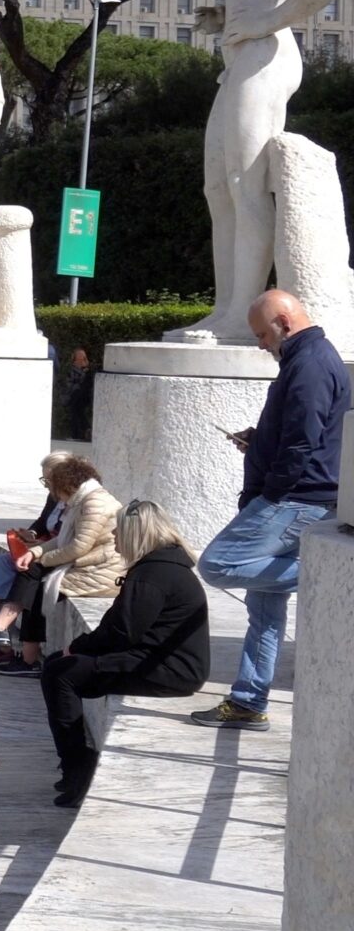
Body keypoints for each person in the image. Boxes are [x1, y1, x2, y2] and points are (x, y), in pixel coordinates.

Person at [194, 288, 348, 730]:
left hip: (296, 498)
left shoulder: (311, 362)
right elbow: (293, 432)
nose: (261, 343)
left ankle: (327, 568)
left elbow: (303, 440)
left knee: (218, 564)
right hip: (299, 494)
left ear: (284, 321)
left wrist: (271, 493)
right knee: (264, 609)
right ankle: (248, 700)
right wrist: (256, 439)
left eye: (263, 334)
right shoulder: (305, 359)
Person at [35, 499, 212, 805]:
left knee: (60, 673)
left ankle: (79, 766)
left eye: (119, 530)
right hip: (162, 661)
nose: (114, 536)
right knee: (59, 666)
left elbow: (121, 631)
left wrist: (75, 649)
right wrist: (79, 650)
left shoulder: (152, 574)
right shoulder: (161, 567)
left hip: (169, 670)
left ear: (135, 533)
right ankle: (77, 762)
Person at [0, 455, 125, 677]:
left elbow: (77, 548)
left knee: (35, 579)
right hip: (86, 565)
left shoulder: (95, 504)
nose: (53, 495)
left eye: (52, 486)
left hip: (100, 572)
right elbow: (62, 539)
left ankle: (8, 638)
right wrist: (34, 552)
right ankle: (18, 649)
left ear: (65, 485)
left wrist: (41, 559)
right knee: (33, 577)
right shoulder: (83, 499)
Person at [0, 453, 70, 643]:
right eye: (44, 480)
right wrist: (31, 535)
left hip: (58, 554)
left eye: (49, 480)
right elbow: (42, 522)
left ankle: (1, 637)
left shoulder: (77, 501)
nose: (47, 485)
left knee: (23, 574)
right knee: (1, 563)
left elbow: (70, 541)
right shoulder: (53, 497)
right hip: (40, 548)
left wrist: (38, 548)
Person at [60, 346, 96, 441]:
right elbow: (68, 385)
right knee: (76, 409)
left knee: (77, 410)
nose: (82, 361)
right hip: (74, 397)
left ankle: (81, 432)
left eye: (84, 358)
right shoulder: (71, 370)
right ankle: (79, 433)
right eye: (79, 359)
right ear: (74, 360)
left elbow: (90, 386)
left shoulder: (89, 371)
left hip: (84, 398)